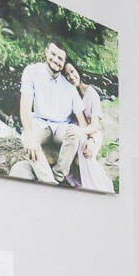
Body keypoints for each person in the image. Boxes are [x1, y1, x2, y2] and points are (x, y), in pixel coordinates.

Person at [17, 41, 86, 184]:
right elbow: (25, 107)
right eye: (53, 54)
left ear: (64, 62)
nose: (55, 60)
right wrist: (30, 135)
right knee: (27, 137)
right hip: (39, 124)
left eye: (60, 58)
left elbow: (82, 119)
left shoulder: (70, 84)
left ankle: (58, 176)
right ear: (46, 51)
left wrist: (82, 132)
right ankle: (50, 183)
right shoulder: (32, 71)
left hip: (61, 127)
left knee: (74, 135)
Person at [63, 62, 113, 192]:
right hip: (77, 128)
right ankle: (80, 183)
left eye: (72, 71)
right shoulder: (69, 93)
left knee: (84, 147)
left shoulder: (91, 94)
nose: (71, 76)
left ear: (78, 71)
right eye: (67, 74)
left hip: (92, 132)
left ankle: (97, 186)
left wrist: (89, 138)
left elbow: (95, 126)